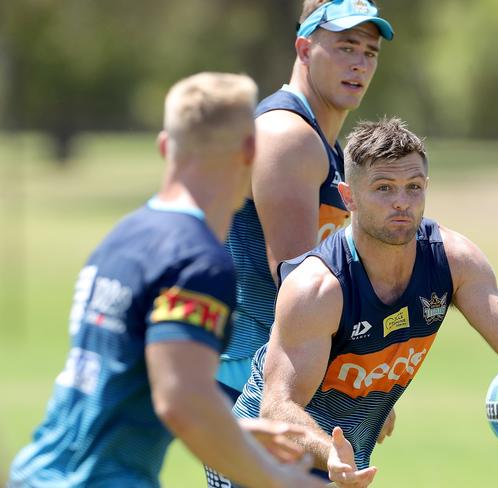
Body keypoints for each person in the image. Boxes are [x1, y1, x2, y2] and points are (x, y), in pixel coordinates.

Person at [232, 117, 498, 486]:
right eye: (384, 188)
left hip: (344, 464)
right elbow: (278, 407)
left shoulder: (452, 261)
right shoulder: (318, 288)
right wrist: (330, 454)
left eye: (413, 187)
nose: (402, 201)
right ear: (349, 197)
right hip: (261, 462)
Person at [8, 72, 325, 488]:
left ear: (164, 147)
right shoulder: (196, 262)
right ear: (250, 151)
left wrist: (236, 432)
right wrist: (284, 481)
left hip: (37, 473)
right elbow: (182, 401)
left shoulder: (123, 236)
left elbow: (133, 382)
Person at [217, 0, 394, 401]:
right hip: (251, 373)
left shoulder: (323, 143)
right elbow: (296, 280)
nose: (360, 64)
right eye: (346, 47)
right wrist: (354, 370)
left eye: (370, 53)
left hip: (291, 363)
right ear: (303, 49)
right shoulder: (288, 136)